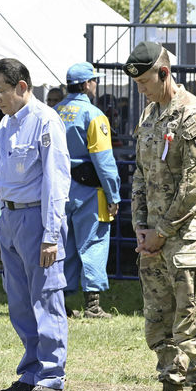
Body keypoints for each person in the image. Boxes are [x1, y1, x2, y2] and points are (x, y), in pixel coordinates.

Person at [122, 41, 196, 391]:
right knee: (159, 319)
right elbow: (141, 176)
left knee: (193, 319)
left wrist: (161, 232)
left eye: (146, 81)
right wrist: (142, 228)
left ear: (164, 73)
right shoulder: (150, 114)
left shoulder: (191, 116)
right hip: (155, 240)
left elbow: (195, 186)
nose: (141, 89)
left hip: (187, 238)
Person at [0, 58, 71, 391]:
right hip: (10, 219)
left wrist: (51, 235)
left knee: (46, 298)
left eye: (1, 91)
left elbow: (56, 181)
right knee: (20, 301)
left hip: (37, 220)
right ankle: (32, 372)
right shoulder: (7, 124)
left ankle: (52, 378)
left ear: (22, 87)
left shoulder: (45, 121)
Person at [57, 62, 121, 319]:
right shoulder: (94, 115)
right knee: (93, 242)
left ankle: (60, 300)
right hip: (89, 191)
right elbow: (104, 161)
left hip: (60, 190)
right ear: (86, 85)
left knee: (64, 245)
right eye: (94, 80)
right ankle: (93, 305)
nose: (96, 84)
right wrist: (114, 195)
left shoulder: (54, 112)